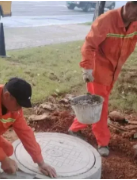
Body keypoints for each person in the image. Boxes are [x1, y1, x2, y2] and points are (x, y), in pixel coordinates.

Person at [68, 1, 137, 157]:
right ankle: (102, 142)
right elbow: (89, 44)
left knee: (96, 106)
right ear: (128, 4)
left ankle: (75, 128)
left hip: (113, 71)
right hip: (98, 72)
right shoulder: (106, 20)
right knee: (101, 107)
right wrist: (87, 68)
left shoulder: (134, 23)